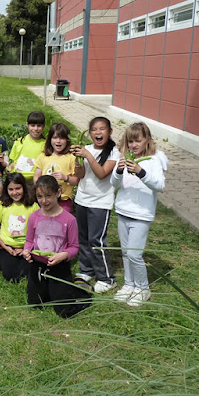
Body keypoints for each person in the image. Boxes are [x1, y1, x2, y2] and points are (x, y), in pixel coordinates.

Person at [110, 122, 167, 307]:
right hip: (123, 211)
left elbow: (159, 185)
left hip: (142, 214)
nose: (134, 145)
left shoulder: (154, 161)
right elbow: (114, 183)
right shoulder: (125, 158)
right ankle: (129, 284)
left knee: (135, 254)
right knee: (126, 253)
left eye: (138, 141)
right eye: (130, 141)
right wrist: (119, 171)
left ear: (147, 140)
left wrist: (140, 172)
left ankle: (143, 288)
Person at [22, 175, 90, 318]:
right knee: (35, 303)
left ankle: (81, 289)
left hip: (59, 265)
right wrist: (27, 251)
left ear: (58, 193)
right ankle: (48, 288)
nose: (44, 201)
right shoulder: (34, 217)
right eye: (40, 197)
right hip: (38, 265)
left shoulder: (70, 219)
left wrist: (63, 255)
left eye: (48, 196)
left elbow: (74, 247)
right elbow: (29, 241)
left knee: (64, 311)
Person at [70, 117, 120, 293]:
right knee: (83, 238)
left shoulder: (114, 153)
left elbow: (102, 173)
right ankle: (86, 270)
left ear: (110, 132)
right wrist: (78, 162)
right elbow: (81, 175)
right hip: (82, 199)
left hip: (100, 203)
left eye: (102, 129)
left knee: (96, 240)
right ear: (90, 133)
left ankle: (107, 278)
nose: (98, 132)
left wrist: (87, 156)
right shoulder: (87, 149)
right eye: (94, 129)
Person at [0, 173, 40, 282]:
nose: (15, 192)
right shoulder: (2, 205)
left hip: (28, 248)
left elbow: (38, 231)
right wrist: (5, 246)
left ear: (24, 187)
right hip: (7, 247)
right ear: (6, 190)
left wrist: (26, 249)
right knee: (10, 276)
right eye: (11, 189)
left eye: (18, 188)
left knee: (26, 274)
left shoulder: (33, 206)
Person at [33, 122, 78, 213]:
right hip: (45, 199)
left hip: (63, 200)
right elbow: (36, 176)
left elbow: (77, 181)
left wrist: (65, 177)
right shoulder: (43, 156)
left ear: (67, 140)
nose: (58, 141)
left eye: (62, 138)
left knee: (61, 220)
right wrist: (41, 185)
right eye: (55, 137)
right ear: (50, 139)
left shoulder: (71, 158)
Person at [7, 110, 46, 184]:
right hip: (18, 181)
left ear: (43, 126)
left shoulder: (46, 145)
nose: (36, 129)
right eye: (33, 125)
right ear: (27, 125)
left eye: (39, 126)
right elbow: (14, 162)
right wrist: (9, 169)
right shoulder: (20, 142)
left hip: (35, 182)